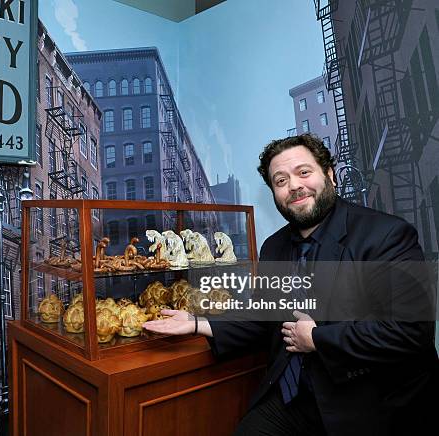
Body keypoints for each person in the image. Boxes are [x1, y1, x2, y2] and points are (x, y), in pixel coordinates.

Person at [143, 134, 437, 435]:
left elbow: (412, 331)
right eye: (280, 180)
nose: (294, 185)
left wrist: (318, 338)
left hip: (368, 404)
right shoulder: (274, 247)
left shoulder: (385, 235)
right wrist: (196, 323)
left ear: (330, 175)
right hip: (295, 396)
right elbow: (264, 316)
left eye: (303, 172)